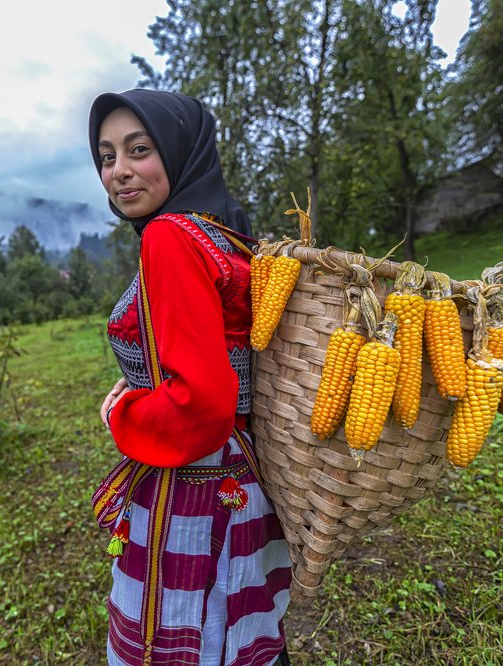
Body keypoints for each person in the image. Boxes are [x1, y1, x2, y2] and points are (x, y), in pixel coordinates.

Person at [88, 89, 292, 666]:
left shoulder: (171, 236)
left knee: (181, 639)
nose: (119, 172)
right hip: (243, 477)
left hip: (195, 486)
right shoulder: (224, 235)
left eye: (139, 149)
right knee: (235, 630)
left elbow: (201, 405)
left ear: (180, 153)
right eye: (106, 157)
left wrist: (121, 413)